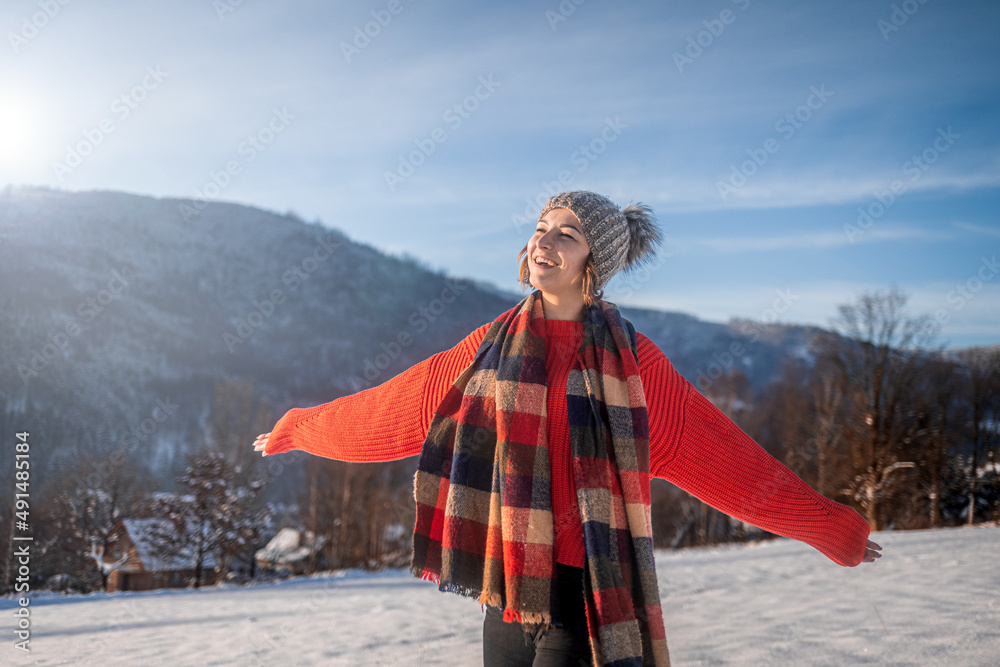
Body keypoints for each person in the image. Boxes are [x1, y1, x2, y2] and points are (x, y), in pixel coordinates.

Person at [252, 190, 881, 667]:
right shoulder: (491, 348)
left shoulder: (635, 367)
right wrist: (300, 427)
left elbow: (730, 462)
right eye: (540, 229)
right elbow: (396, 407)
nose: (544, 243)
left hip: (582, 596)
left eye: (568, 234)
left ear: (594, 262)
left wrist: (831, 528)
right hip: (503, 586)